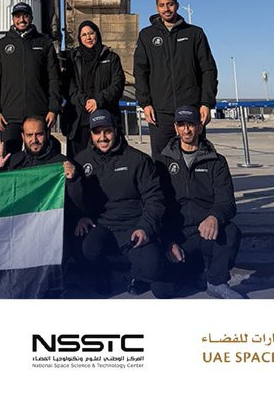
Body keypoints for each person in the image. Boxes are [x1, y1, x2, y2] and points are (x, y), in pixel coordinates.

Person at [73, 109, 166, 295]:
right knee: (84, 249)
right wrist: (80, 217)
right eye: (97, 132)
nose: (102, 137)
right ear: (91, 134)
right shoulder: (81, 161)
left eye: (107, 131)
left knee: (153, 267)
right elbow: (75, 198)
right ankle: (103, 272)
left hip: (133, 227)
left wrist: (145, 228)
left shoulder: (138, 160)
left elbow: (154, 199)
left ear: (115, 130)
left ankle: (134, 275)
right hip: (102, 227)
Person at [155, 104, 243, 299]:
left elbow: (227, 202)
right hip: (177, 233)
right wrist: (168, 241)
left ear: (200, 126)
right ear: (176, 127)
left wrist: (214, 217)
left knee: (231, 232)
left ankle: (216, 282)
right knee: (162, 290)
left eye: (191, 124)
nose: (186, 130)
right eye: (181, 125)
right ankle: (193, 270)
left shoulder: (216, 161)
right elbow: (156, 205)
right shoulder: (162, 162)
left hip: (205, 231)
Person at [134, 0, 218, 157]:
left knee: (196, 157)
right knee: (161, 160)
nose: (166, 9)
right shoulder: (146, 35)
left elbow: (208, 70)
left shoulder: (195, 33)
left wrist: (206, 103)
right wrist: (145, 103)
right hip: (160, 112)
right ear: (157, 8)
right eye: (162, 5)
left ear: (177, 5)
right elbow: (140, 71)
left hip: (191, 109)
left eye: (170, 4)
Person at [0, 2, 61, 155]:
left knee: (40, 158)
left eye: (25, 16)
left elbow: (54, 78)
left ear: (31, 18)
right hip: (10, 116)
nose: (21, 19)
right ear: (12, 19)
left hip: (38, 114)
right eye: (17, 16)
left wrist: (53, 108)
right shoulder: (1, 45)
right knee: (10, 159)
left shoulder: (44, 43)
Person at [62, 20, 125, 158]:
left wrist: (98, 101)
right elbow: (68, 86)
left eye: (91, 33)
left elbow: (118, 84)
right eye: (84, 35)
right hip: (79, 121)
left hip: (105, 118)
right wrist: (84, 101)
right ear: (79, 38)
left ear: (97, 34)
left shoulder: (111, 58)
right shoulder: (73, 59)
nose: (88, 37)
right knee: (78, 161)